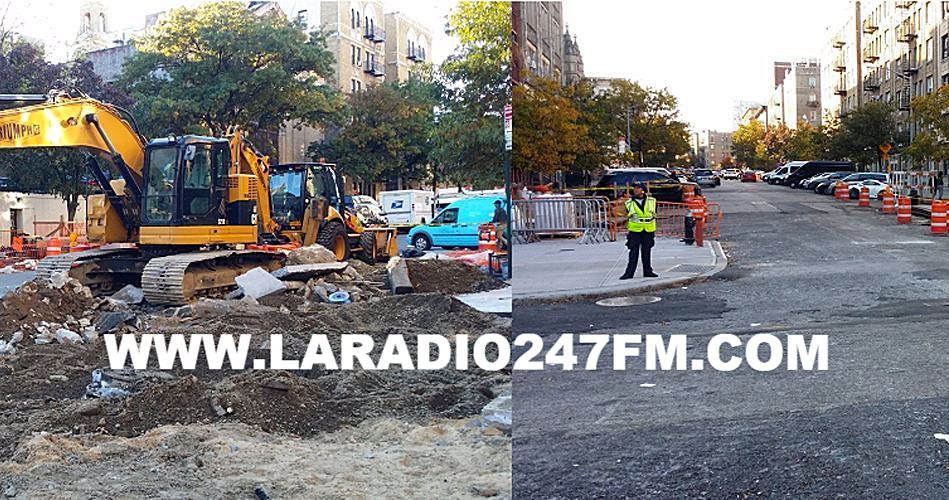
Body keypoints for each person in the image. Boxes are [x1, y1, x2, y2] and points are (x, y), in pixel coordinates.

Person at [620, 183, 659, 280]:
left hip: (648, 229)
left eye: (638, 188)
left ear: (643, 190)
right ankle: (629, 273)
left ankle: (648, 271)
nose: (635, 190)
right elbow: (626, 214)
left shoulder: (652, 201)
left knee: (647, 251)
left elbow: (654, 213)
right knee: (633, 252)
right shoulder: (629, 202)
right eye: (635, 188)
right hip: (635, 230)